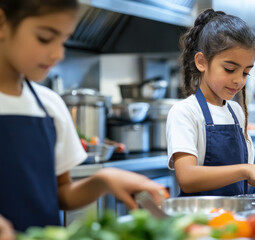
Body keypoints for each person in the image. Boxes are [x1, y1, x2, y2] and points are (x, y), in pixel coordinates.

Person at [0, 0, 167, 232]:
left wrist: (103, 180)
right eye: (45, 38)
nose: (58, 54)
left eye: (64, 41)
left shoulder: (50, 105)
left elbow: (61, 193)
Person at [166, 9, 255, 197]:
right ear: (201, 62)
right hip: (203, 220)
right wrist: (246, 170)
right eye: (230, 69)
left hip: (236, 217)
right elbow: (187, 178)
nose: (239, 80)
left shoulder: (236, 111)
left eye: (246, 72)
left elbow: (241, 178)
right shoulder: (185, 111)